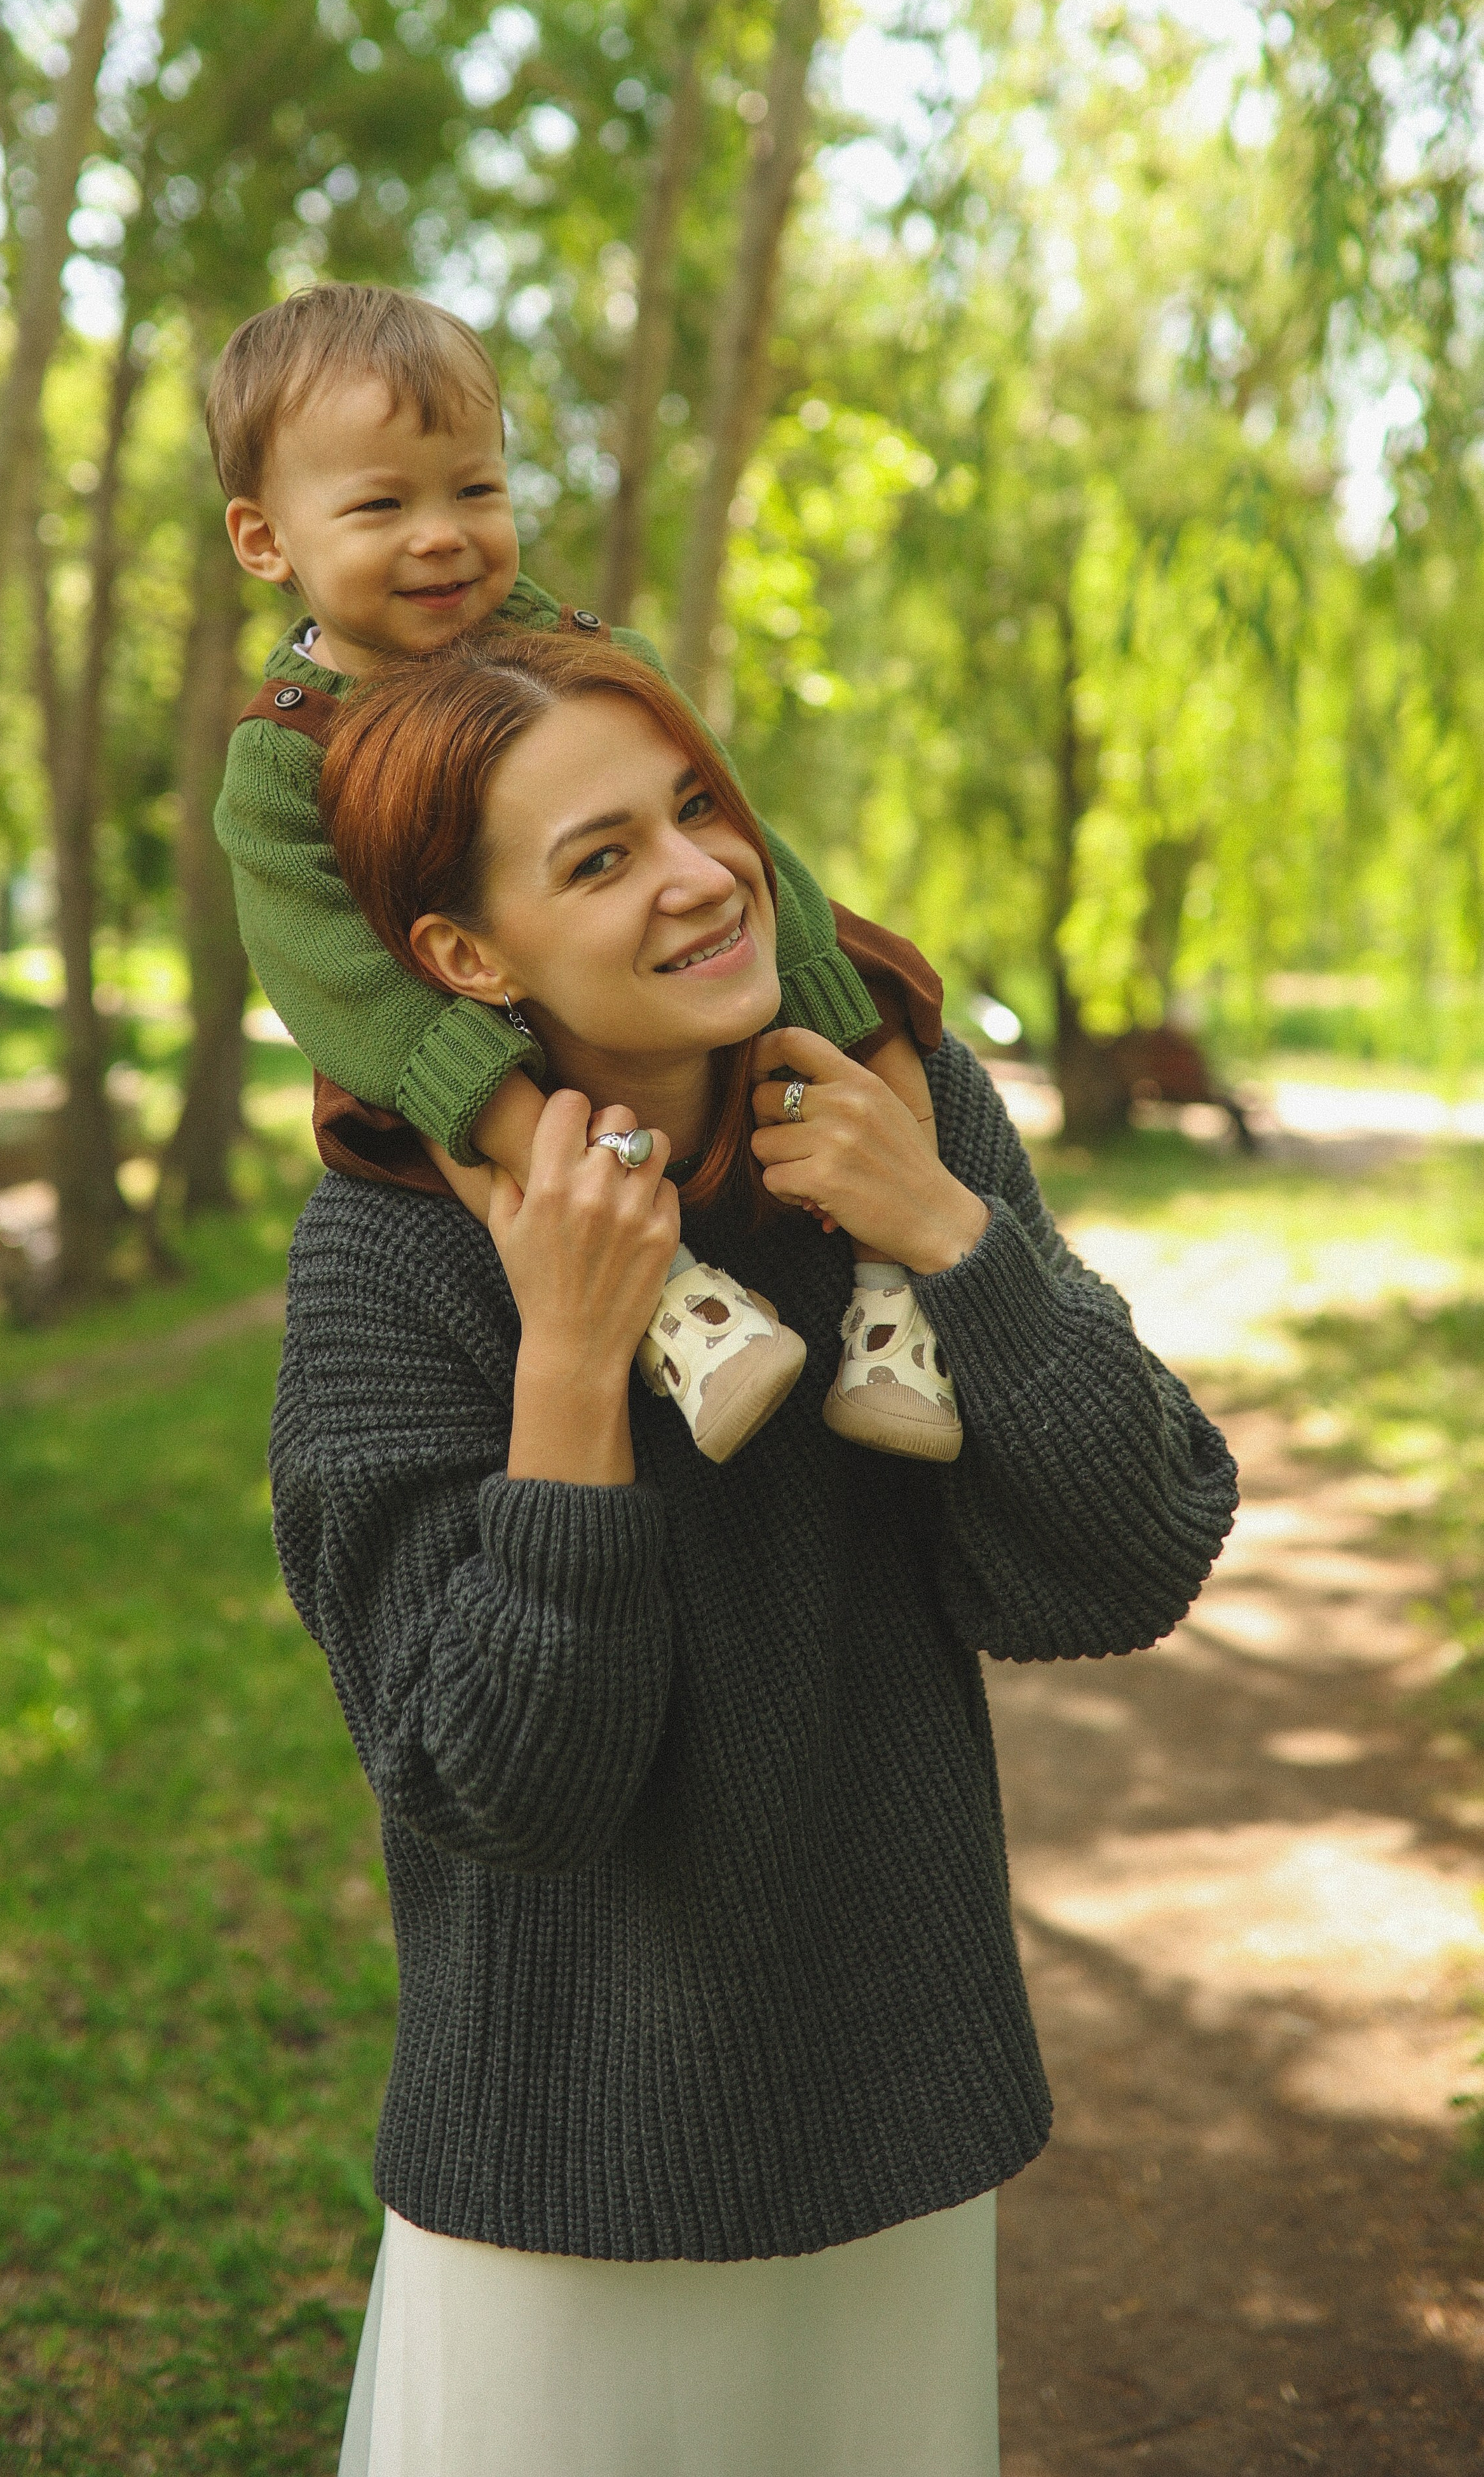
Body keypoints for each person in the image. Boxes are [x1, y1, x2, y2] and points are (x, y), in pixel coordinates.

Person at [273, 625, 1240, 2476]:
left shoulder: (907, 1118)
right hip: (565, 2175)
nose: (702, 875)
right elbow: (502, 1789)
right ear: (466, 961)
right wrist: (573, 1357)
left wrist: (954, 1233)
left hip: (898, 2120)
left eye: (696, 807)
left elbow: (1132, 1556)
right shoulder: (391, 1260)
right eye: (601, 857)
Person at [210, 280, 961, 1467]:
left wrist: (813, 994)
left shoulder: (587, 654)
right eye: (380, 505)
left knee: (880, 1008)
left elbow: (750, 846)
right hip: (437, 1030)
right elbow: (337, 979)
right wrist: (490, 1091)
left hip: (636, 996)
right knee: (471, 1136)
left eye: (477, 488)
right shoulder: (283, 760)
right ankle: (675, 1307)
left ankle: (894, 1305)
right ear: (267, 539)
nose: (442, 533)